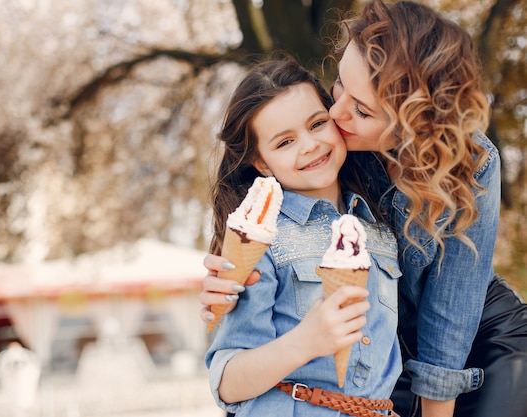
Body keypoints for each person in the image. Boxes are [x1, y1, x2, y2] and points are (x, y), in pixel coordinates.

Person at [200, 1, 527, 417]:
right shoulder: (327, 142)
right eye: (338, 84)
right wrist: (225, 279)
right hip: (379, 354)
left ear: (412, 124)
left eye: (363, 109)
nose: (336, 114)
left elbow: (451, 310)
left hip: (473, 335)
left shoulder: (470, 161)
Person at [205, 55, 402, 416]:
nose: (309, 145)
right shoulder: (263, 240)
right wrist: (303, 343)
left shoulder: (381, 227)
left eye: (317, 123)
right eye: (284, 142)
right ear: (262, 163)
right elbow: (226, 382)